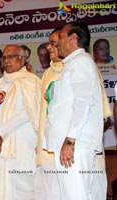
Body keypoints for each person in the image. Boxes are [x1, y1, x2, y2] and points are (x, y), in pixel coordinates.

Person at [43, 21, 105, 200]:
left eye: (60, 38)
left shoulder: (81, 63)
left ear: (73, 38)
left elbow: (82, 102)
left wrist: (70, 140)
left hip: (75, 145)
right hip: (70, 143)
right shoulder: (72, 64)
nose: (57, 43)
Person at [0, 44, 41, 200]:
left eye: (11, 57)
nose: (6, 61)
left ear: (21, 59)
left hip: (20, 152)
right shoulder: (0, 83)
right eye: (4, 57)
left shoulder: (32, 81)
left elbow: (28, 112)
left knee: (21, 193)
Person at [34, 27, 64, 200]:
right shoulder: (47, 73)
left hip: (65, 153)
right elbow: (41, 113)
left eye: (53, 43)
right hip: (44, 153)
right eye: (49, 43)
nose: (48, 48)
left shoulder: (80, 68)